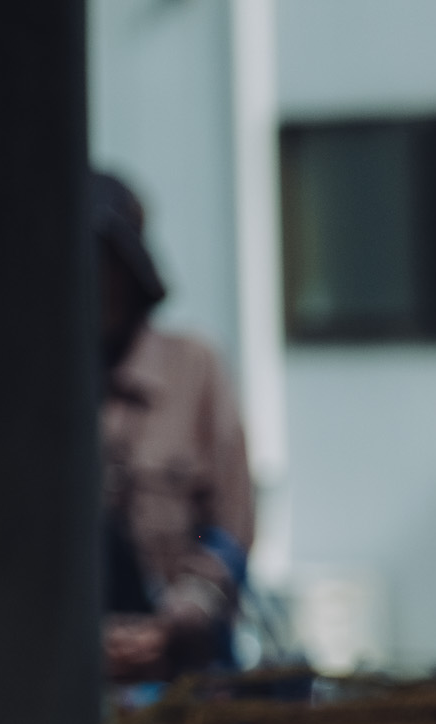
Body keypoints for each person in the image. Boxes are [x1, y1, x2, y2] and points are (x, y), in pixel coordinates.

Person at [94, 171, 255, 682]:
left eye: (105, 266)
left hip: (181, 681)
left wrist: (184, 609)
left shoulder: (195, 368)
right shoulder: (33, 390)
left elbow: (226, 528)